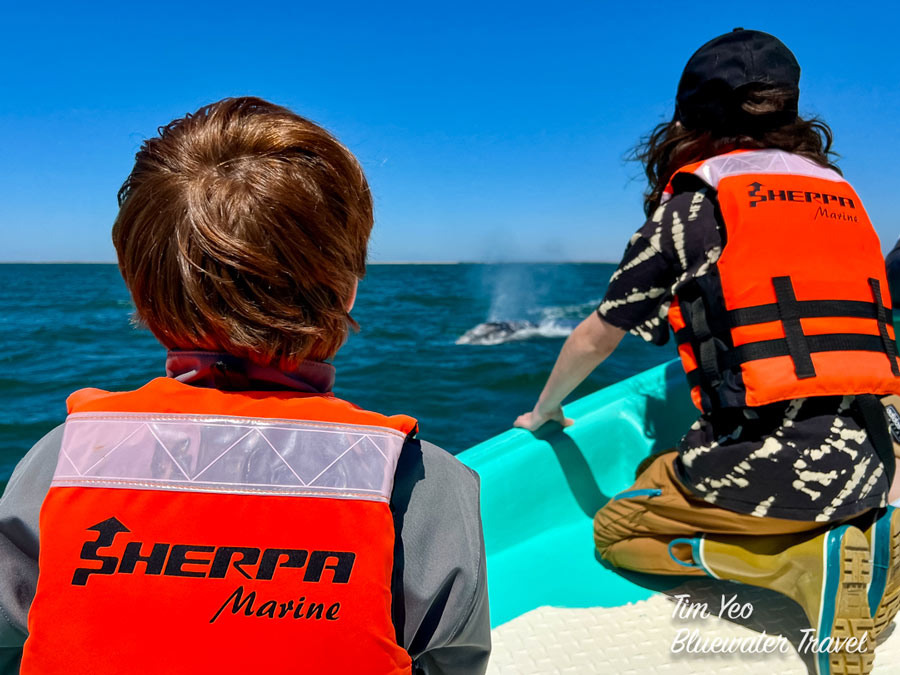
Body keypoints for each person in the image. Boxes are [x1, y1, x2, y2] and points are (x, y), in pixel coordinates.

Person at [0, 97, 490, 675]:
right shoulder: (424, 484)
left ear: (139, 291)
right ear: (348, 286)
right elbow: (451, 663)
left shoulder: (63, 461)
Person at [516, 29, 900, 675]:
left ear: (687, 122)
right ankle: (863, 536)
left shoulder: (693, 207)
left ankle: (794, 564)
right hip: (877, 462)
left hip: (781, 475)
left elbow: (597, 334)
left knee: (616, 528)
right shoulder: (842, 199)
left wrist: (544, 411)